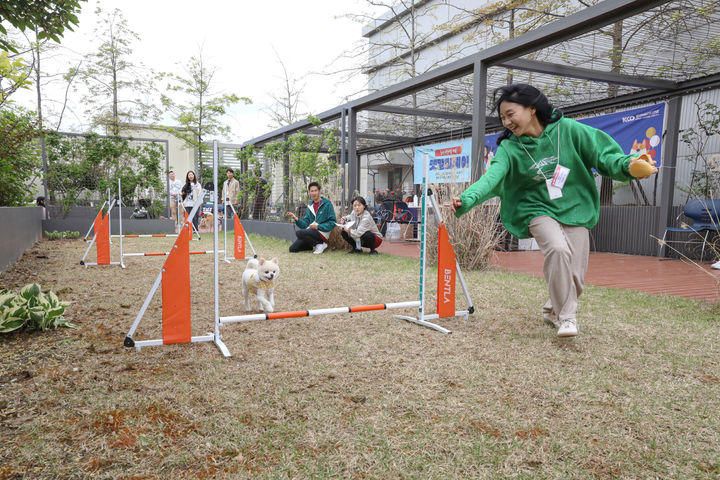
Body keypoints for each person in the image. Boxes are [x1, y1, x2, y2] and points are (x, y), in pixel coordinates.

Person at [451, 83, 657, 338]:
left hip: (574, 206)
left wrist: (630, 165)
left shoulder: (569, 131)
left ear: (532, 109)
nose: (506, 122)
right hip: (534, 208)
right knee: (558, 249)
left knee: (576, 276)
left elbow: (604, 156)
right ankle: (567, 318)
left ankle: (551, 308)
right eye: (502, 117)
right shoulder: (510, 147)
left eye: (510, 114)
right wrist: (468, 198)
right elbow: (492, 178)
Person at [286, 182, 336, 254]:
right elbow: (305, 224)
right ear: (309, 192)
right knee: (293, 249)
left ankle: (321, 244)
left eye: (315, 190)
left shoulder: (327, 204)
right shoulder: (310, 206)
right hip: (311, 232)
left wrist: (318, 227)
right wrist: (295, 218)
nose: (314, 193)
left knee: (299, 233)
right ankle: (311, 245)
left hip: (322, 232)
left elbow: (332, 222)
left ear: (319, 191)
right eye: (312, 191)